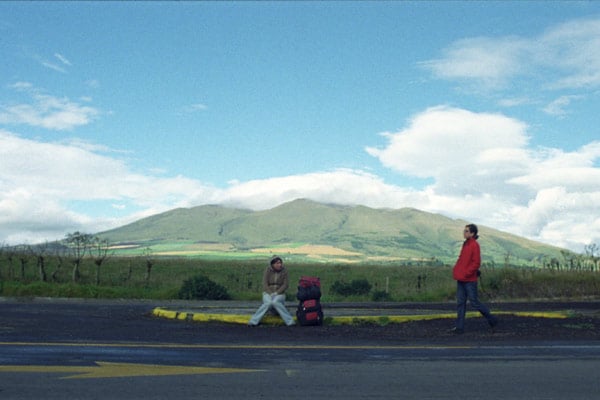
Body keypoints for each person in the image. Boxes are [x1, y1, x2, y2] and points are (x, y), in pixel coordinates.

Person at [452, 224, 498, 334]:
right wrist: (457, 270)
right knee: (460, 303)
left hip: (469, 280)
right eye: (464, 230)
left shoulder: (474, 245)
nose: (464, 232)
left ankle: (492, 319)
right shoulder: (465, 244)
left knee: (474, 302)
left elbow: (476, 262)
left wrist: (467, 273)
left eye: (467, 231)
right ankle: (459, 328)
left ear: (472, 233)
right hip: (461, 279)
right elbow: (461, 259)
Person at [248, 255, 295, 326]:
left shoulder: (284, 271)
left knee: (275, 302)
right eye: (277, 263)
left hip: (280, 293)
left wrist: (277, 293)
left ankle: (290, 321)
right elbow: (264, 283)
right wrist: (270, 293)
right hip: (268, 292)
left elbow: (285, 285)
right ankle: (253, 321)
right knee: (269, 303)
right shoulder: (267, 270)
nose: (280, 265)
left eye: (280, 263)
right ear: (272, 264)